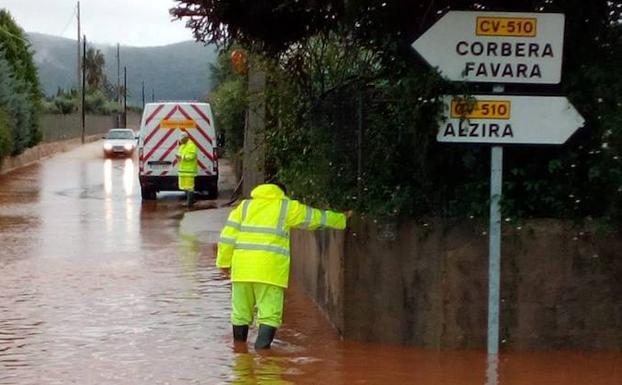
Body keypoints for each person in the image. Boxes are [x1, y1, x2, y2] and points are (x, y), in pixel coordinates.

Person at [216, 183, 349, 349]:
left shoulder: (244, 207)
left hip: (241, 270)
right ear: (282, 193)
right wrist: (342, 219)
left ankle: (239, 354)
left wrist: (224, 263)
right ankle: (263, 359)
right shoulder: (286, 207)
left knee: (240, 313)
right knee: (269, 315)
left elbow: (227, 237)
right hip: (270, 272)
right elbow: (314, 217)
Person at [176, 133, 198, 206]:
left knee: (189, 187)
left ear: (186, 138)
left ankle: (189, 202)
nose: (181, 141)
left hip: (189, 171)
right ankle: (191, 199)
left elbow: (192, 156)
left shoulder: (191, 145)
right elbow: (179, 153)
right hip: (182, 170)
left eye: (182, 140)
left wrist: (183, 157)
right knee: (183, 186)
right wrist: (178, 156)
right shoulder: (182, 146)